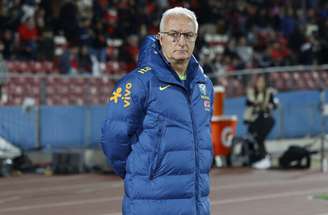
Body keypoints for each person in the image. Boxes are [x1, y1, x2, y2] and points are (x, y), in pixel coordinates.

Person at [101, 7, 214, 215]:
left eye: (188, 35)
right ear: (161, 38)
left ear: (196, 39)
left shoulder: (204, 85)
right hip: (150, 204)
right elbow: (113, 139)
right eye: (174, 34)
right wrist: (142, 171)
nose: (181, 41)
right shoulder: (138, 82)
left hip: (195, 204)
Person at [243, 75, 279, 169]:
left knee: (259, 138)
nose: (260, 84)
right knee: (253, 138)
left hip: (266, 119)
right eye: (259, 81)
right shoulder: (251, 92)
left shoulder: (268, 92)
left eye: (262, 82)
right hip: (254, 120)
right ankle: (261, 157)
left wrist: (271, 105)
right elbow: (250, 103)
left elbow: (275, 104)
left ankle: (264, 158)